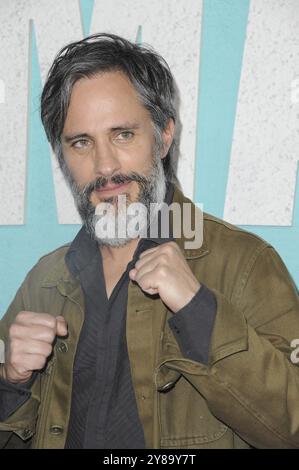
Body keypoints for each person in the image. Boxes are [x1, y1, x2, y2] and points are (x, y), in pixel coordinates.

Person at [0, 33, 299, 450]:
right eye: (81, 142)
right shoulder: (44, 281)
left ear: (163, 137)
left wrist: (199, 311)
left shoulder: (245, 264)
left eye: (123, 135)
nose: (105, 166)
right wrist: (8, 383)